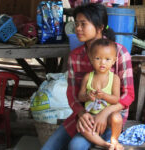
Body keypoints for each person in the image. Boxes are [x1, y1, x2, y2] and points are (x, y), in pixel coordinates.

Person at [41, 2, 134, 150]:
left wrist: (105, 113)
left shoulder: (120, 53)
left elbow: (128, 95)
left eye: (83, 24)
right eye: (76, 24)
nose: (78, 28)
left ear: (100, 27)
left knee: (76, 146)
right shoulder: (75, 56)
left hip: (112, 116)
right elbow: (72, 95)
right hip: (85, 116)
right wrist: (82, 113)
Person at [78, 38, 121, 150]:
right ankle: (104, 144)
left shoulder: (115, 79)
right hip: (91, 115)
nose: (102, 62)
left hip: (107, 117)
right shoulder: (88, 77)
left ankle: (114, 139)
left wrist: (104, 96)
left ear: (114, 60)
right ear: (91, 59)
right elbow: (80, 97)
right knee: (82, 127)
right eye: (98, 58)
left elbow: (116, 99)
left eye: (107, 59)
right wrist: (87, 96)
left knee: (117, 117)